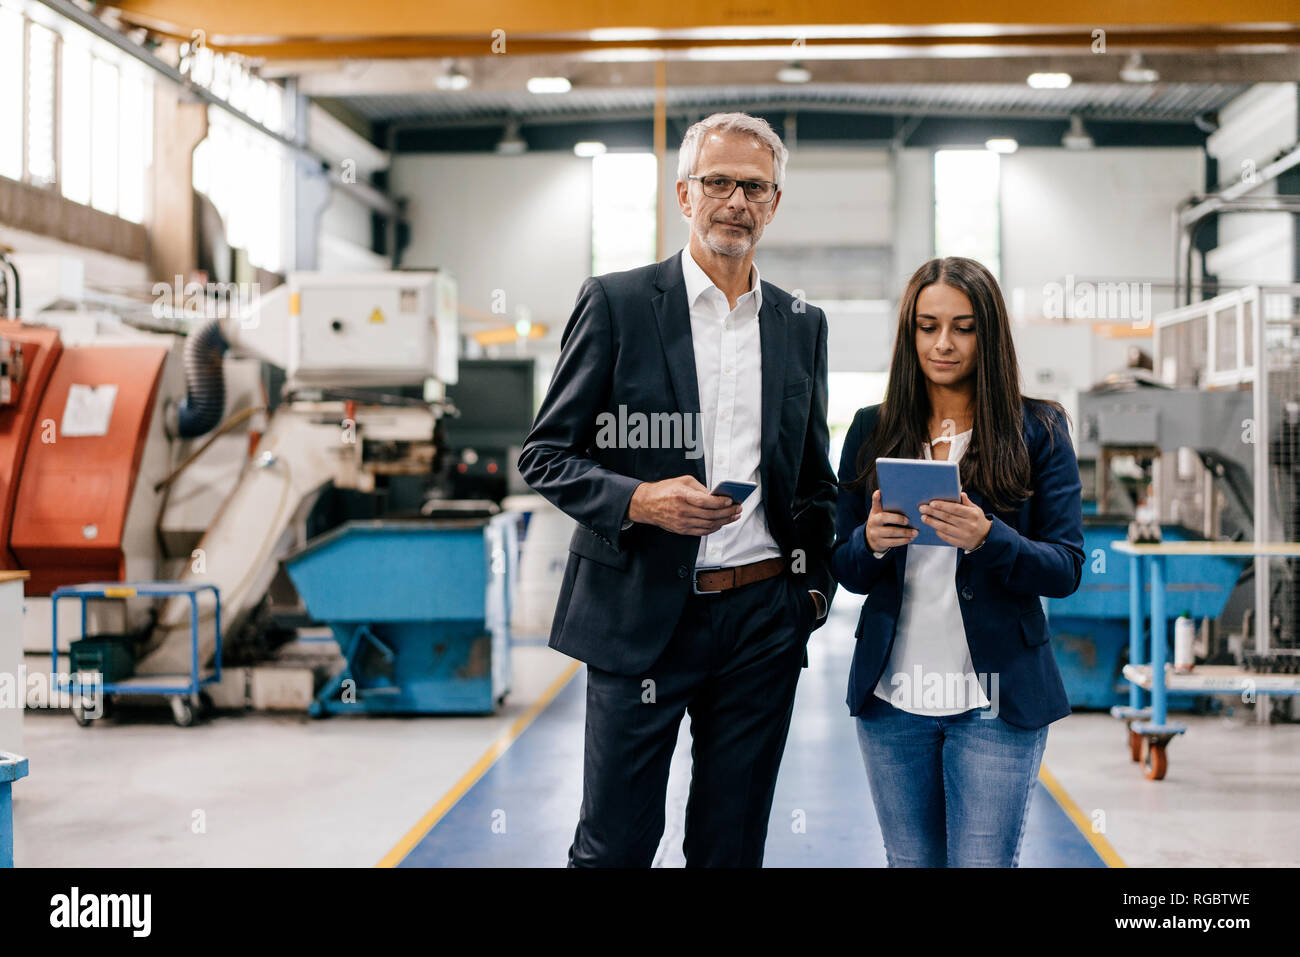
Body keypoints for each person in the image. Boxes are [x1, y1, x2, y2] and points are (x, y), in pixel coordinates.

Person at [517, 112, 836, 867]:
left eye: (755, 187)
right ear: (685, 196)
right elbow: (545, 454)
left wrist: (809, 598)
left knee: (731, 848)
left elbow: (813, 476)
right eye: (718, 182)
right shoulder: (618, 303)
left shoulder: (800, 323)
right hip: (640, 615)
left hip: (761, 619)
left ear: (775, 202)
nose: (736, 201)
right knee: (616, 846)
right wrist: (640, 500)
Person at [831, 256, 1084, 867]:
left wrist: (987, 538)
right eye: (927, 325)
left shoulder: (1039, 429)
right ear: (909, 332)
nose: (943, 343)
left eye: (964, 327)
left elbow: (1066, 566)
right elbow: (845, 566)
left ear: (988, 334)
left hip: (995, 700)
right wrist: (872, 540)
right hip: (892, 699)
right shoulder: (872, 429)